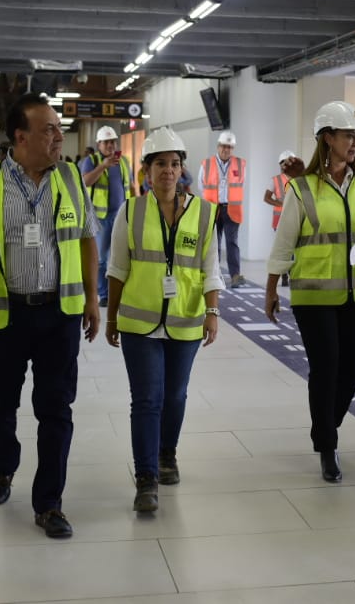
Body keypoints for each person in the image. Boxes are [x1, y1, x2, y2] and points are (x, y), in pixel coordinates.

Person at [0, 93, 100, 540]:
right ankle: (3, 467)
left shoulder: (70, 177)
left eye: (58, 128)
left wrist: (92, 298)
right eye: (48, 129)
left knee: (56, 408)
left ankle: (49, 502)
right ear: (20, 136)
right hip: (5, 316)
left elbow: (86, 238)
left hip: (59, 314)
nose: (57, 136)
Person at [106, 127, 221, 514]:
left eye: (174, 164)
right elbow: (117, 268)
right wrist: (111, 317)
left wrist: (212, 311)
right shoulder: (130, 210)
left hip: (186, 318)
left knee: (175, 395)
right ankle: (146, 478)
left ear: (182, 169)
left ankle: (167, 453)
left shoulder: (204, 213)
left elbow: (211, 267)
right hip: (139, 323)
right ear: (146, 171)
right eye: (160, 164)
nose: (168, 171)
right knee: (147, 400)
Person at [264, 103, 355, 483]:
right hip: (313, 295)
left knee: (353, 372)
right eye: (348, 135)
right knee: (326, 369)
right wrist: (271, 288)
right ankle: (328, 446)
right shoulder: (301, 188)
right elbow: (284, 242)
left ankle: (324, 428)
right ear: (327, 138)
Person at [82, 126, 133, 302]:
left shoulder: (124, 162)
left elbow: (131, 187)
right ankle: (103, 295)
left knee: (121, 257)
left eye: (113, 141)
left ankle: (119, 293)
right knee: (101, 259)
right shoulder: (92, 160)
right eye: (107, 142)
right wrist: (103, 166)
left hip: (122, 216)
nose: (111, 145)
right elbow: (85, 182)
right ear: (99, 144)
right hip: (101, 218)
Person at [198, 130, 247, 288]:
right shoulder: (206, 164)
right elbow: (201, 185)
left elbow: (241, 184)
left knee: (232, 242)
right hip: (213, 208)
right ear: (218, 146)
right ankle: (215, 274)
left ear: (233, 148)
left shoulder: (240, 164)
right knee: (214, 243)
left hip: (232, 208)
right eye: (224, 146)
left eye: (230, 147)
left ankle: (235, 276)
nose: (226, 149)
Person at [264, 150, 299, 231]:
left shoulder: (299, 179)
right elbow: (266, 198)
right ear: (281, 164)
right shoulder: (275, 180)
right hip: (279, 220)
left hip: (295, 219)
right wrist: (281, 204)